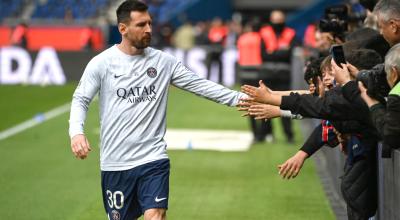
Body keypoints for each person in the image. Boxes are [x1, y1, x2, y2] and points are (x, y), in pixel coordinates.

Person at [68, 1, 245, 220]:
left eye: (150, 23)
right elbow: (80, 99)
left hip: (153, 159)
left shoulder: (164, 62)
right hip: (115, 162)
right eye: (141, 24)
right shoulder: (101, 63)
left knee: (156, 215)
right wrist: (76, 132)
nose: (149, 29)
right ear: (123, 29)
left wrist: (245, 100)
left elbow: (203, 87)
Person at [259, 10, 297, 143]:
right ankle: (266, 134)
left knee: (286, 104)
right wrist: (281, 51)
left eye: (279, 20)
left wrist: (273, 52)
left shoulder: (290, 33)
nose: (277, 23)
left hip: (283, 76)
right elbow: (263, 54)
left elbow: (290, 53)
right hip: (267, 75)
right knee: (265, 104)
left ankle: (289, 135)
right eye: (275, 20)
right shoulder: (264, 32)